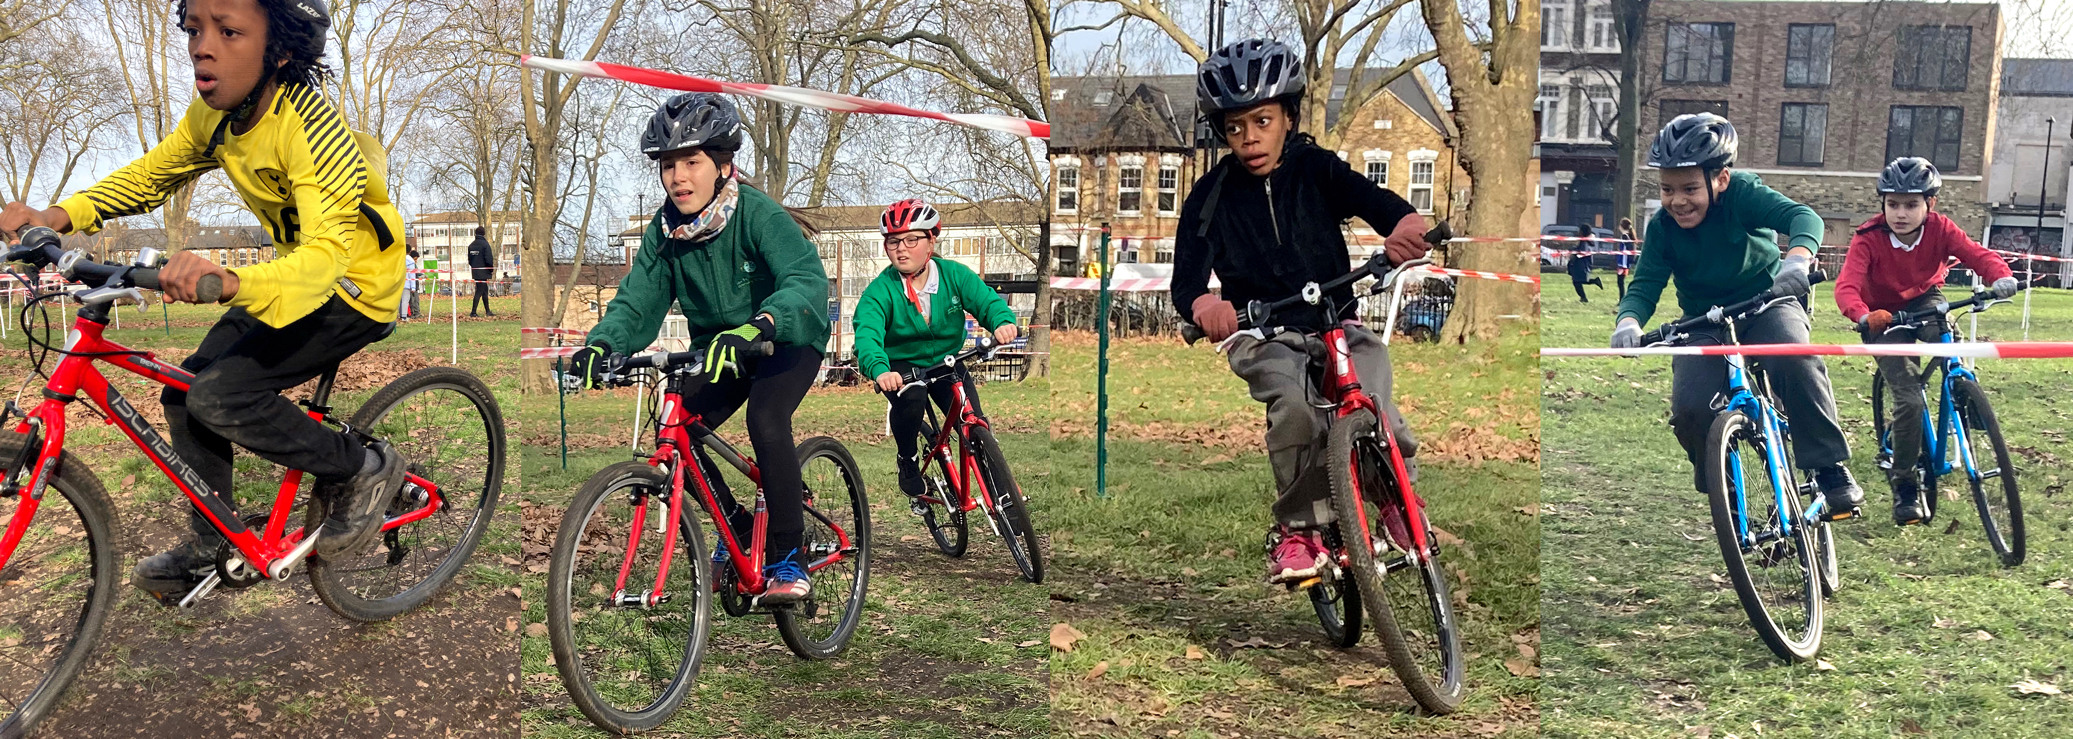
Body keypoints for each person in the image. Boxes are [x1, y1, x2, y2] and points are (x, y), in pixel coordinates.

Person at [0, 0, 409, 595]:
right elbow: (150, 175)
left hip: (353, 287)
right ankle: (213, 541)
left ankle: (364, 468)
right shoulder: (215, 117)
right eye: (194, 29)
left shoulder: (315, 132)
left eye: (229, 31)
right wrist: (57, 216)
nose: (202, 47)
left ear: (281, 49)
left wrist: (235, 281)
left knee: (220, 396)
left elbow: (324, 259)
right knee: (184, 390)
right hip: (290, 278)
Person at [1171, 38, 1430, 585]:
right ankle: (1300, 530)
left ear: (1288, 116)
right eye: (1234, 128)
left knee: (1372, 384)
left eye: (1262, 121)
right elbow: (1186, 279)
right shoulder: (1211, 196)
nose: (1249, 138)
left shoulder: (1317, 168)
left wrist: (1404, 225)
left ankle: (1394, 497)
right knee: (1294, 407)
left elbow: (1372, 200)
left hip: (1335, 319)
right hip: (1262, 332)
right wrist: (1204, 303)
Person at [564, 93, 829, 604]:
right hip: (718, 349)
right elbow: (637, 301)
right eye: (668, 165)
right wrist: (602, 343)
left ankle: (789, 554)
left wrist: (763, 323)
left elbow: (805, 281)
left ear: (722, 166)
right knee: (679, 424)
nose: (678, 177)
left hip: (785, 337)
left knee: (766, 419)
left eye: (691, 162)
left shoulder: (758, 215)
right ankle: (738, 526)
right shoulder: (665, 232)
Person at [1610, 112, 1862, 519]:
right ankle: (1720, 479)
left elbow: (1803, 218)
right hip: (1704, 322)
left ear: (1721, 179)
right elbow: (1645, 284)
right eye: (1667, 189)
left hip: (1766, 302)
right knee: (1691, 408)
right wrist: (1628, 321)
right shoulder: (1662, 228)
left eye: (1690, 188)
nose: (1677, 201)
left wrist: (1797, 260)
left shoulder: (1743, 193)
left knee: (1795, 358)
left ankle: (1828, 467)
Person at [1834, 157, 2016, 525]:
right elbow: (1847, 286)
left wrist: (2000, 276)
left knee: (1949, 337)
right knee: (1910, 400)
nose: (1901, 213)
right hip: (1884, 314)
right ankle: (1905, 483)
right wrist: (1863, 315)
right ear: (1883, 204)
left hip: (1925, 299)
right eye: (1893, 204)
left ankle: (1963, 393)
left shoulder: (1940, 228)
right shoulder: (1868, 237)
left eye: (1911, 204)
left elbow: (1976, 254)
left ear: (1929, 204)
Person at [851, 199, 1019, 507]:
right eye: (893, 242)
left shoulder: (954, 275)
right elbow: (867, 335)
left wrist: (1003, 322)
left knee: (972, 419)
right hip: (900, 365)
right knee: (912, 398)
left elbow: (986, 302)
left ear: (931, 241)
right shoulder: (880, 291)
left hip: (946, 360)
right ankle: (907, 459)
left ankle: (1002, 493)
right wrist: (880, 369)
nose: (901, 249)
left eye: (911, 240)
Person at [1567, 222, 1603, 302]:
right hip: (1583, 263)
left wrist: (1573, 251)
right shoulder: (1588, 240)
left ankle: (1584, 297)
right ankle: (1584, 296)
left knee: (1577, 281)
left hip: (1582, 264)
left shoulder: (1585, 241)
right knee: (1579, 280)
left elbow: (1581, 251)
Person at [467, 226, 494, 316]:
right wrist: (490, 270)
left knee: (484, 290)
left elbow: (470, 260)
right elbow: (489, 259)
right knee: (479, 290)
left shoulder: (471, 245)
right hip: (483, 271)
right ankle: (473, 312)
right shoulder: (485, 245)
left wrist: (474, 267)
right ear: (484, 233)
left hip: (475, 271)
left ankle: (488, 311)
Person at [1614, 217, 1637, 297]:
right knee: (1620, 281)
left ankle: (1622, 298)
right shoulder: (1628, 235)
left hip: (1623, 262)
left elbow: (1629, 247)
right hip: (1624, 262)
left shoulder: (1625, 236)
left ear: (1622, 226)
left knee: (1620, 281)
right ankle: (1622, 298)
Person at [403, 246, 420, 319]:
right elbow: (413, 273)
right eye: (415, 259)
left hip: (413, 283)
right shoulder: (410, 263)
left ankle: (415, 312)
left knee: (415, 299)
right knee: (412, 300)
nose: (416, 261)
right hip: (411, 284)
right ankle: (414, 312)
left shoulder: (411, 263)